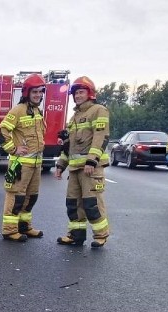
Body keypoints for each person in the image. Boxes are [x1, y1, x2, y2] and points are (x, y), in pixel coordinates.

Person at [54, 76, 111, 248]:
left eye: (81, 92)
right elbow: (70, 146)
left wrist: (91, 161)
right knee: (73, 203)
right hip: (75, 168)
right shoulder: (75, 117)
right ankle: (76, 235)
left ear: (90, 93)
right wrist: (60, 165)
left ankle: (101, 234)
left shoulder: (99, 110)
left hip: (90, 169)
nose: (78, 96)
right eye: (76, 93)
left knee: (91, 203)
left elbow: (101, 137)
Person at [0, 73, 47, 241]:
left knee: (31, 197)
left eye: (41, 92)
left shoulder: (37, 111)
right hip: (21, 164)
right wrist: (13, 149)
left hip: (36, 164)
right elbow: (2, 131)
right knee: (16, 196)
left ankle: (24, 227)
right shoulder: (18, 110)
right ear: (27, 93)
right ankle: (10, 230)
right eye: (35, 92)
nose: (38, 95)